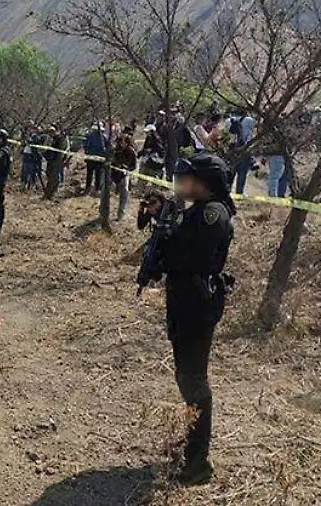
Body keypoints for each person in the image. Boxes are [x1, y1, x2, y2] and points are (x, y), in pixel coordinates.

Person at [139, 152, 236, 485]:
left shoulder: (213, 213)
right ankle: (193, 440)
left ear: (204, 183)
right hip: (185, 299)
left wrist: (167, 252)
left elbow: (194, 256)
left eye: (189, 179)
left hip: (198, 301)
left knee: (194, 379)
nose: (182, 185)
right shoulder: (195, 212)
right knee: (185, 375)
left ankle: (198, 462)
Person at [110, 129, 138, 220]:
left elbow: (133, 166)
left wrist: (127, 169)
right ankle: (103, 212)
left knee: (125, 192)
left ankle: (120, 214)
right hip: (113, 173)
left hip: (124, 175)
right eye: (120, 141)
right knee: (106, 190)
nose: (121, 143)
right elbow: (110, 161)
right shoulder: (115, 150)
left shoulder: (131, 152)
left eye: (123, 141)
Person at [227, 112, 256, 195]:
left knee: (230, 171)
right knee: (242, 173)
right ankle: (239, 193)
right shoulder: (250, 120)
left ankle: (227, 191)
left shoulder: (228, 121)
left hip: (231, 149)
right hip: (245, 149)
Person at [43, 126, 68, 199]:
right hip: (51, 160)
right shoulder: (50, 139)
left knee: (54, 177)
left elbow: (62, 150)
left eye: (52, 132)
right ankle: (49, 192)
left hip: (56, 160)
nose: (50, 134)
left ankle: (52, 192)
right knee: (48, 173)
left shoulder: (59, 139)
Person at [83, 124, 108, 197]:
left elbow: (85, 145)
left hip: (92, 158)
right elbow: (107, 147)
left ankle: (89, 188)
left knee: (90, 174)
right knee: (97, 174)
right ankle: (96, 189)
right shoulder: (104, 137)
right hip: (98, 159)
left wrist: (87, 152)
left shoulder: (89, 136)